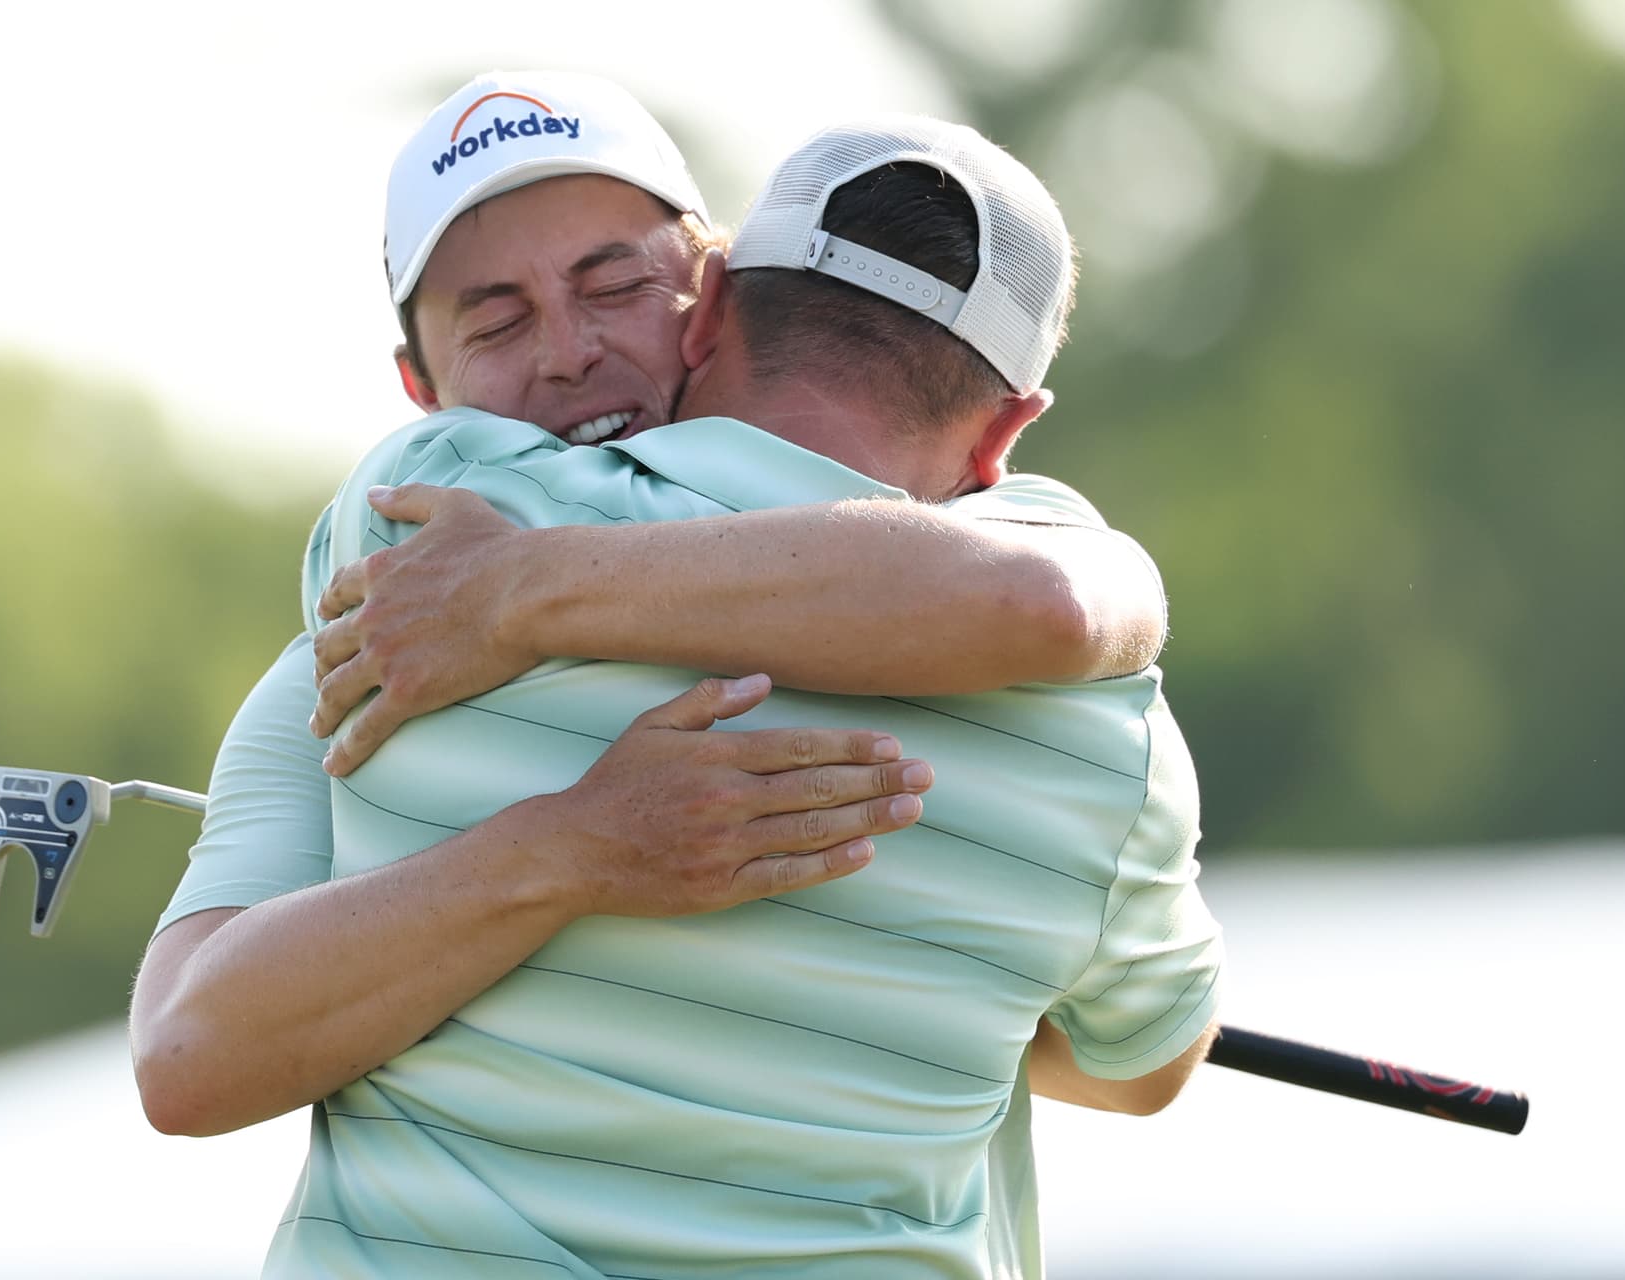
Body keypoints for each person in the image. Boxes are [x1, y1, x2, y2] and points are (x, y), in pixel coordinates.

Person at [131, 77, 1213, 1278]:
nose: (571, 354)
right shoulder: (1109, 716)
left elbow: (1043, 603)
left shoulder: (428, 540)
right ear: (1007, 430)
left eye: (613, 286)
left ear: (706, 302)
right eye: (495, 320)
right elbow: (1141, 1063)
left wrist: (524, 591)